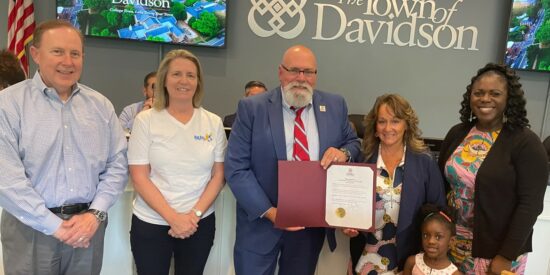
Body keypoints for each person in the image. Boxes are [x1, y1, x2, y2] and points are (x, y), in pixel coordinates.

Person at [0, 19, 128, 274]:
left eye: (75, 54)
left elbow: (118, 164)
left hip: (88, 228)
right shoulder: (8, 104)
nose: (67, 62)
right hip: (31, 230)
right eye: (57, 51)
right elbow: (7, 179)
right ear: (35, 54)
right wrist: (55, 226)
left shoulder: (100, 106)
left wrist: (95, 214)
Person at [224, 45, 361, 275]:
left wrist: (344, 153)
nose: (301, 78)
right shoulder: (252, 108)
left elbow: (353, 143)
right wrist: (270, 212)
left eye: (308, 72)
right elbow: (236, 167)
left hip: (307, 229)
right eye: (294, 70)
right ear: (280, 72)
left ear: (316, 75)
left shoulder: (335, 105)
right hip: (261, 224)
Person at [438, 63, 549, 274]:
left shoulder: (525, 142)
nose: (485, 99)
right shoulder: (457, 133)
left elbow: (530, 205)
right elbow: (442, 186)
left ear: (509, 98)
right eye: (478, 93)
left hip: (496, 252)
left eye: (494, 93)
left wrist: (506, 256)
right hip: (452, 245)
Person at [127, 49, 227, 275]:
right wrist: (173, 218)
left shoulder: (213, 122)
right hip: (152, 223)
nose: (184, 81)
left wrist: (194, 216)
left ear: (198, 82)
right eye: (176, 74)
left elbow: (218, 175)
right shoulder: (145, 121)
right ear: (164, 80)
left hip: (198, 224)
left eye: (191, 75)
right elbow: (139, 177)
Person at [345, 94, 446, 274]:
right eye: (382, 121)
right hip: (366, 257)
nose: (388, 128)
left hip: (407, 259)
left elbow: (437, 212)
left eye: (395, 121)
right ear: (375, 127)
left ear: (406, 125)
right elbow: (349, 204)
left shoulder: (424, 161)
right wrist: (348, 224)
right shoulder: (363, 158)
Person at [402, 204, 461, 275]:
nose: (431, 241)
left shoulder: (454, 273)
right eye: (426, 235)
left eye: (438, 237)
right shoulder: (412, 262)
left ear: (451, 241)